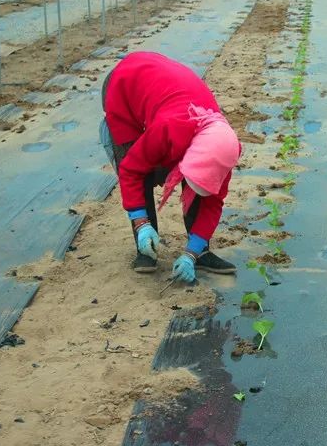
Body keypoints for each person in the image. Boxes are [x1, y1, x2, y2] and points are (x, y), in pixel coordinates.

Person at [100, 51, 241, 281]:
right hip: (123, 85)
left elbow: (213, 201)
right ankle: (146, 247)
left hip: (165, 87)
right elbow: (130, 171)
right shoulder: (168, 129)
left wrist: (191, 253)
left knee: (198, 185)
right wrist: (140, 222)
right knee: (141, 169)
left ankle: (200, 251)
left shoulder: (224, 147)